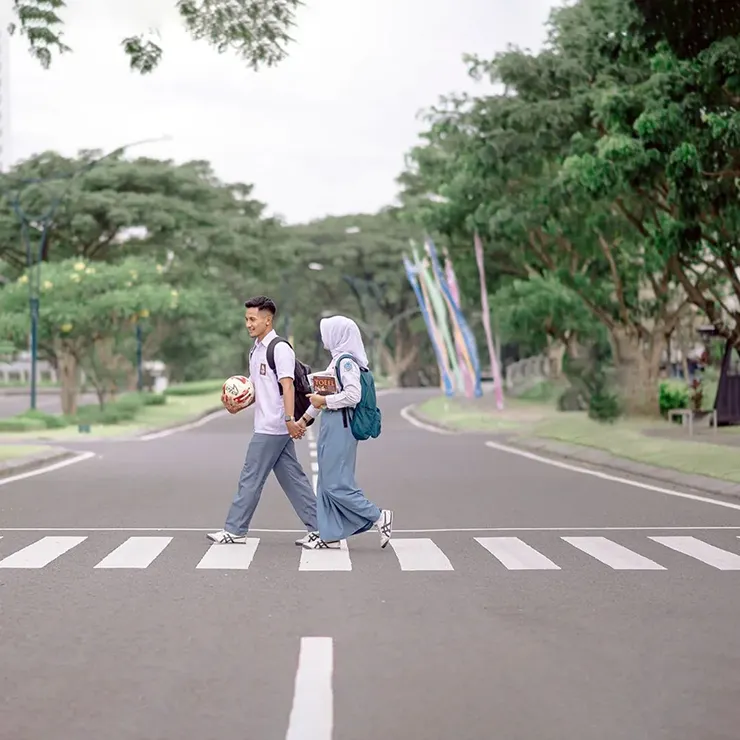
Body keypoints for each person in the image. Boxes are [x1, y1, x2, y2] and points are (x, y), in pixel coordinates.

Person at [207, 296, 319, 546]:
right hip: (270, 424)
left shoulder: (279, 349)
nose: (248, 324)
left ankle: (235, 530)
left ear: (267, 320)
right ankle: (321, 528)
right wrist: (238, 405)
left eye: (252, 319)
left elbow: (287, 387)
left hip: (273, 426)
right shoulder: (256, 350)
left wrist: (290, 419)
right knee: (293, 479)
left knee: (251, 476)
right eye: (246, 319)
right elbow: (257, 389)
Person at [296, 315, 393, 550]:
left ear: (339, 335)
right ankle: (329, 535)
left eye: (327, 332)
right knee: (325, 482)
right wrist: (304, 420)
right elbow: (321, 398)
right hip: (332, 424)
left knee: (336, 483)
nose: (323, 337)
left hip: (343, 425)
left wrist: (324, 401)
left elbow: (353, 396)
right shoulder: (335, 362)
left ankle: (378, 516)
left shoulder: (346, 363)